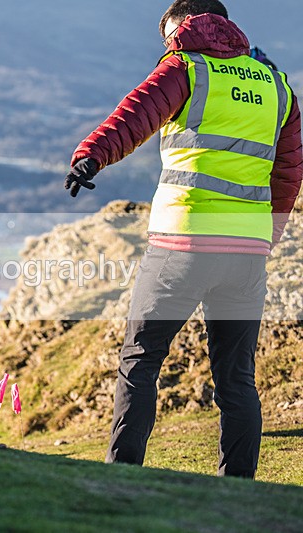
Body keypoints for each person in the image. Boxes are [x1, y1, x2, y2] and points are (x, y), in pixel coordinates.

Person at [64, 0, 302, 477]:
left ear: (188, 26)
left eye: (172, 34)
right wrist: (266, 239)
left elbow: (137, 114)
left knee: (140, 361)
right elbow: (289, 171)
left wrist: (91, 154)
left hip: (183, 244)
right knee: (237, 379)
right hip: (247, 254)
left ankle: (123, 474)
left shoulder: (186, 67)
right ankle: (238, 487)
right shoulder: (276, 85)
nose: (169, 43)